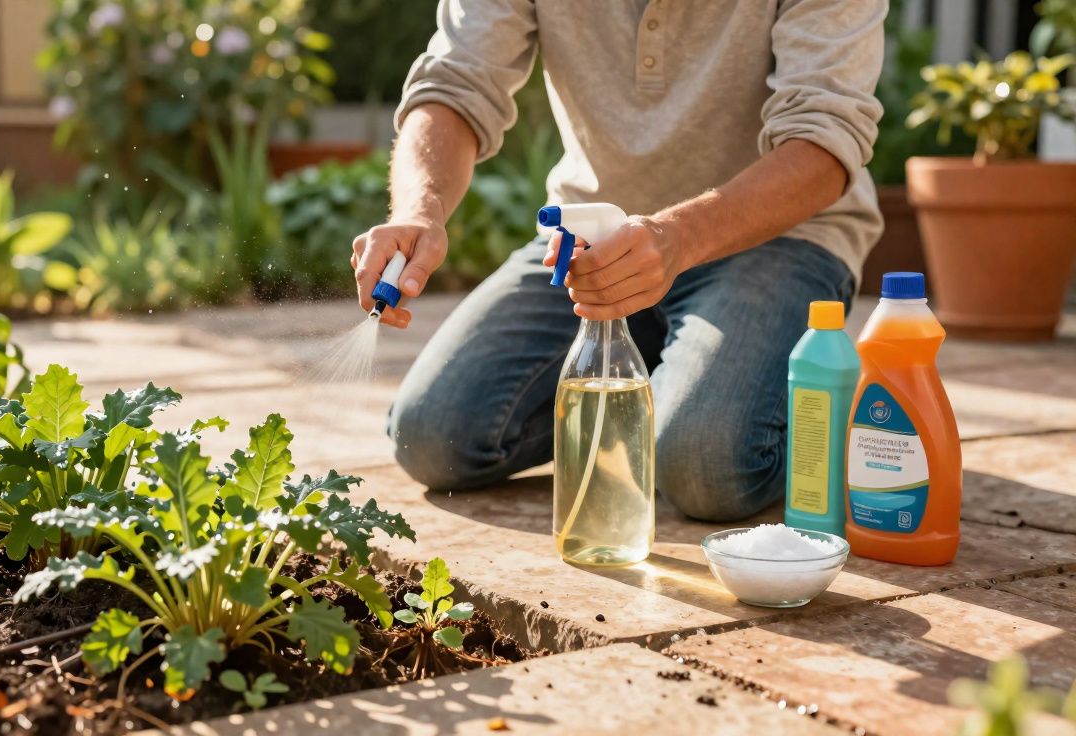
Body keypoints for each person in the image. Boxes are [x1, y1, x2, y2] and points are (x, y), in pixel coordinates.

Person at [352, 0, 886, 521]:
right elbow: (455, 81)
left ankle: (806, 409)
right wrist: (422, 207)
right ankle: (673, 383)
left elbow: (823, 135)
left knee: (703, 467)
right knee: (433, 436)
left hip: (776, 239)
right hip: (590, 237)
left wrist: (676, 237)